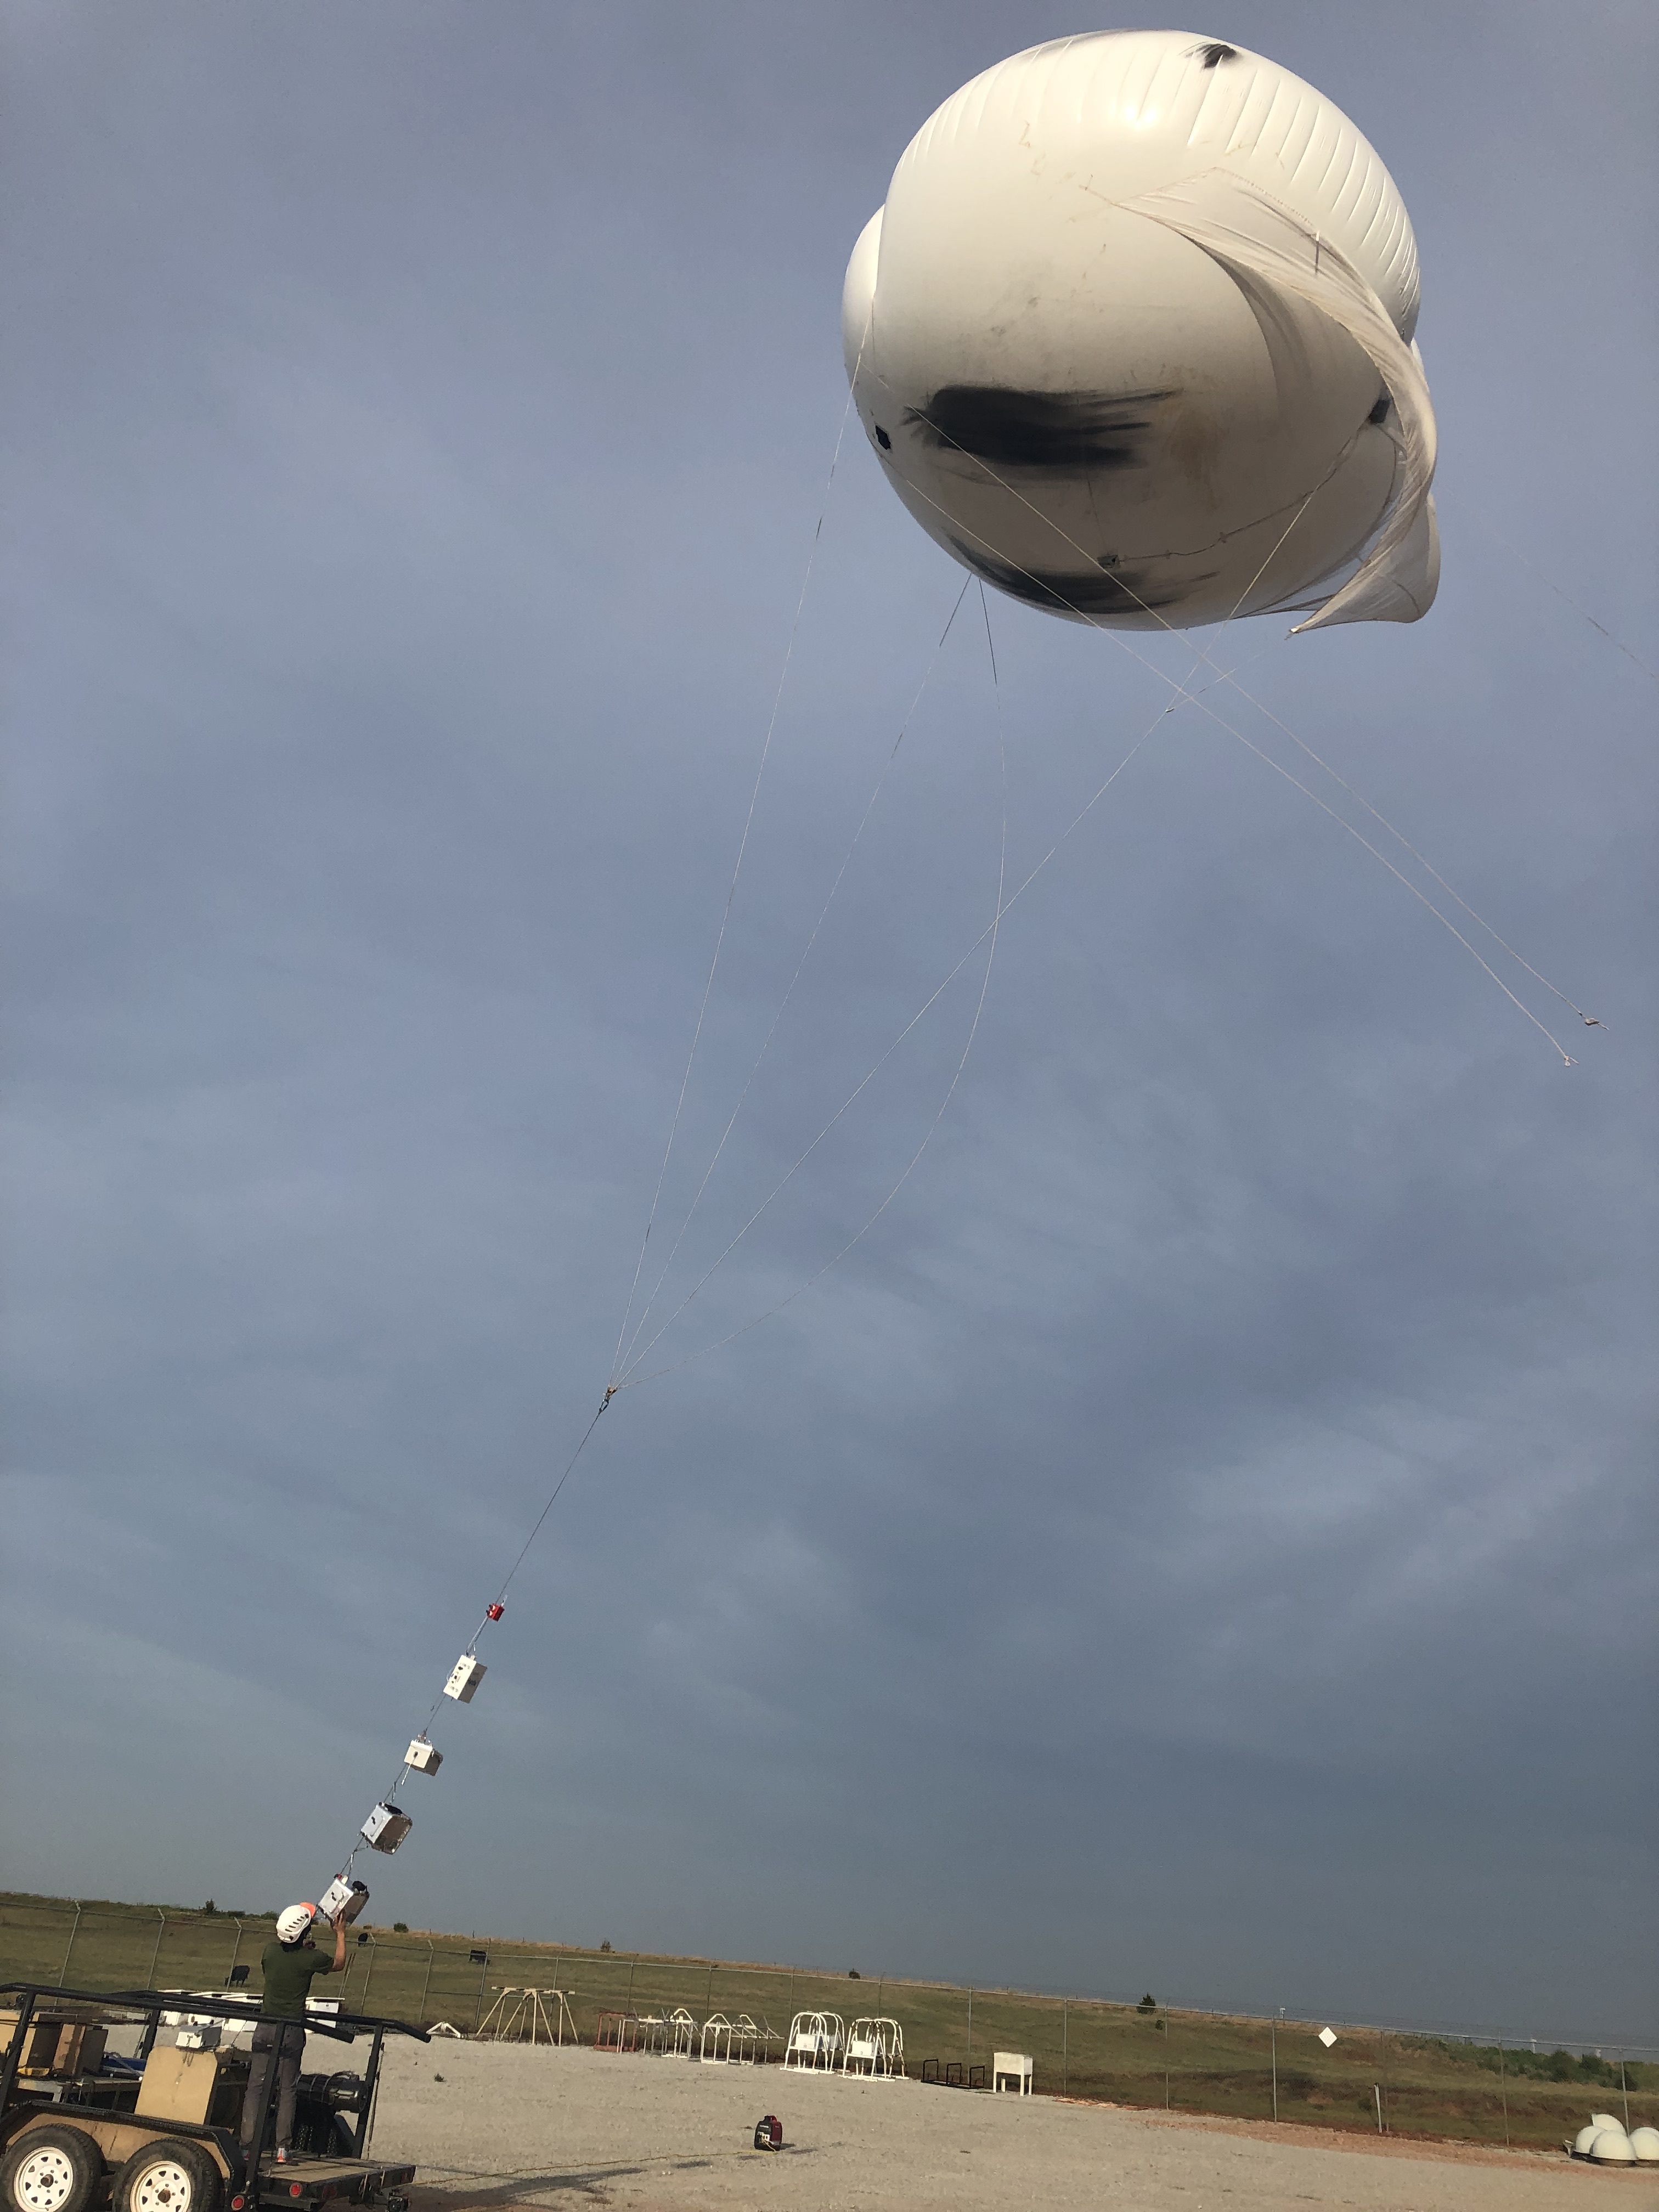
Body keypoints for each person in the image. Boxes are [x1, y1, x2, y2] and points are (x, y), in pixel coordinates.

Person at [239, 1901, 347, 2163]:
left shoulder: (269, 1952)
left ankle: (246, 2146)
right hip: (291, 2030)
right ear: (303, 1932)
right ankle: (282, 2149)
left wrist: (301, 1950)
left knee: (256, 2087)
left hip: (265, 2027)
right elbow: (339, 1964)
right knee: (287, 2089)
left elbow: (284, 1961)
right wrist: (341, 1934)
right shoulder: (312, 1958)